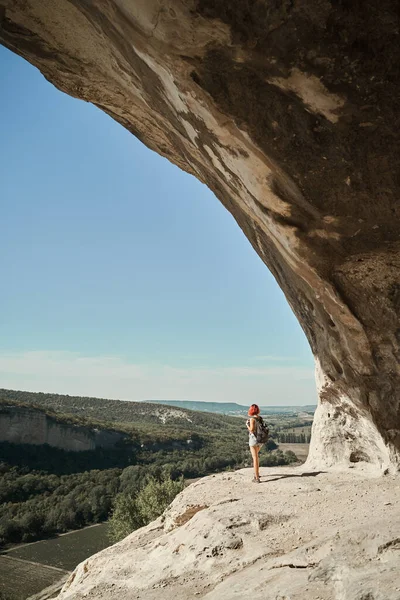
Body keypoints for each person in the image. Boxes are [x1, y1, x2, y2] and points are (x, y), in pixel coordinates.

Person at [246, 404, 264, 483]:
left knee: (255, 458)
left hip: (253, 440)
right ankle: (257, 473)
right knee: (256, 457)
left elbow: (252, 430)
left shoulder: (252, 419)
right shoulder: (260, 418)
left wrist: (247, 425)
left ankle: (256, 478)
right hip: (260, 440)